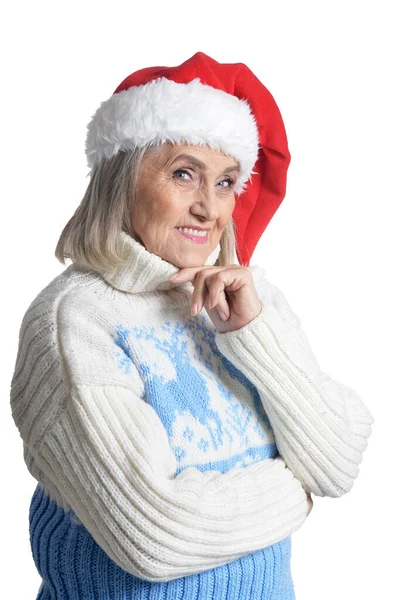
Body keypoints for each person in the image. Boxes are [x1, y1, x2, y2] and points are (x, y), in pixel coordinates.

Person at [10, 51, 374, 600]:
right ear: (120, 179)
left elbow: (339, 460)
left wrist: (253, 335)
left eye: (226, 183)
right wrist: (296, 487)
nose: (209, 207)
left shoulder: (245, 299)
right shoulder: (74, 323)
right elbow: (154, 535)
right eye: (184, 174)